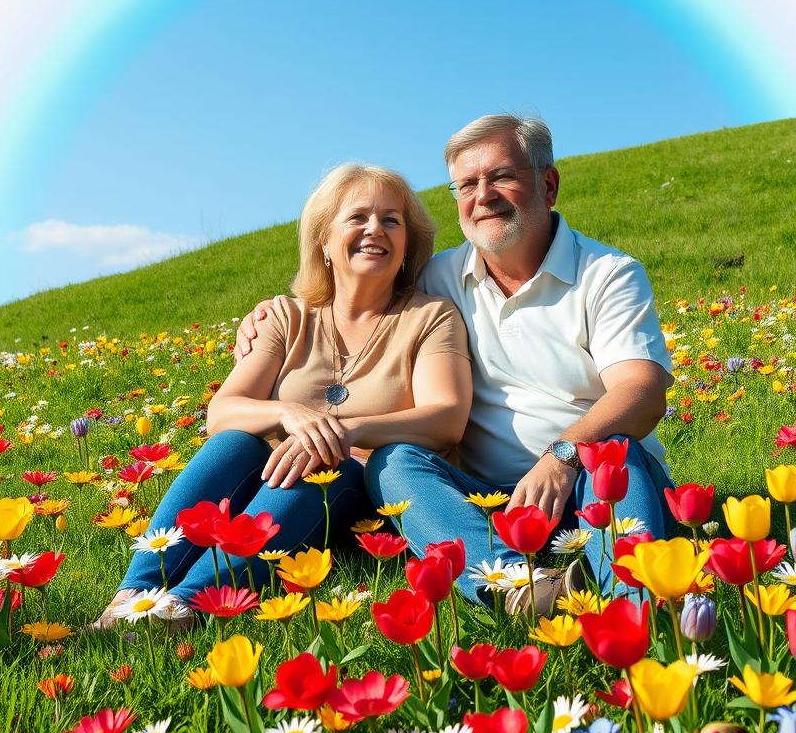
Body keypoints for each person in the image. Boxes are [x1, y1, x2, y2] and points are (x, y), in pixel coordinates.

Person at [236, 115, 676, 616]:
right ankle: (515, 585)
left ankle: (636, 606)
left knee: (615, 451)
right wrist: (267, 316)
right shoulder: (436, 279)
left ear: (548, 184)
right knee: (395, 461)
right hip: (484, 503)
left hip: (591, 480)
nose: (482, 196)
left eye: (501, 177)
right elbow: (353, 285)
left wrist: (562, 457)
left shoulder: (606, 274)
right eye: (466, 184)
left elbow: (641, 393)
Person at [93, 163, 472, 629]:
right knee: (233, 442)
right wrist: (289, 413)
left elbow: (446, 417)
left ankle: (185, 607)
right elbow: (222, 412)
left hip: (359, 491)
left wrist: (344, 430)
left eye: (391, 220)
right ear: (324, 241)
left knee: (325, 462)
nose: (375, 229)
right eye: (357, 217)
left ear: (407, 244)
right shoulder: (287, 317)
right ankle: (134, 594)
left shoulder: (431, 316)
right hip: (270, 477)